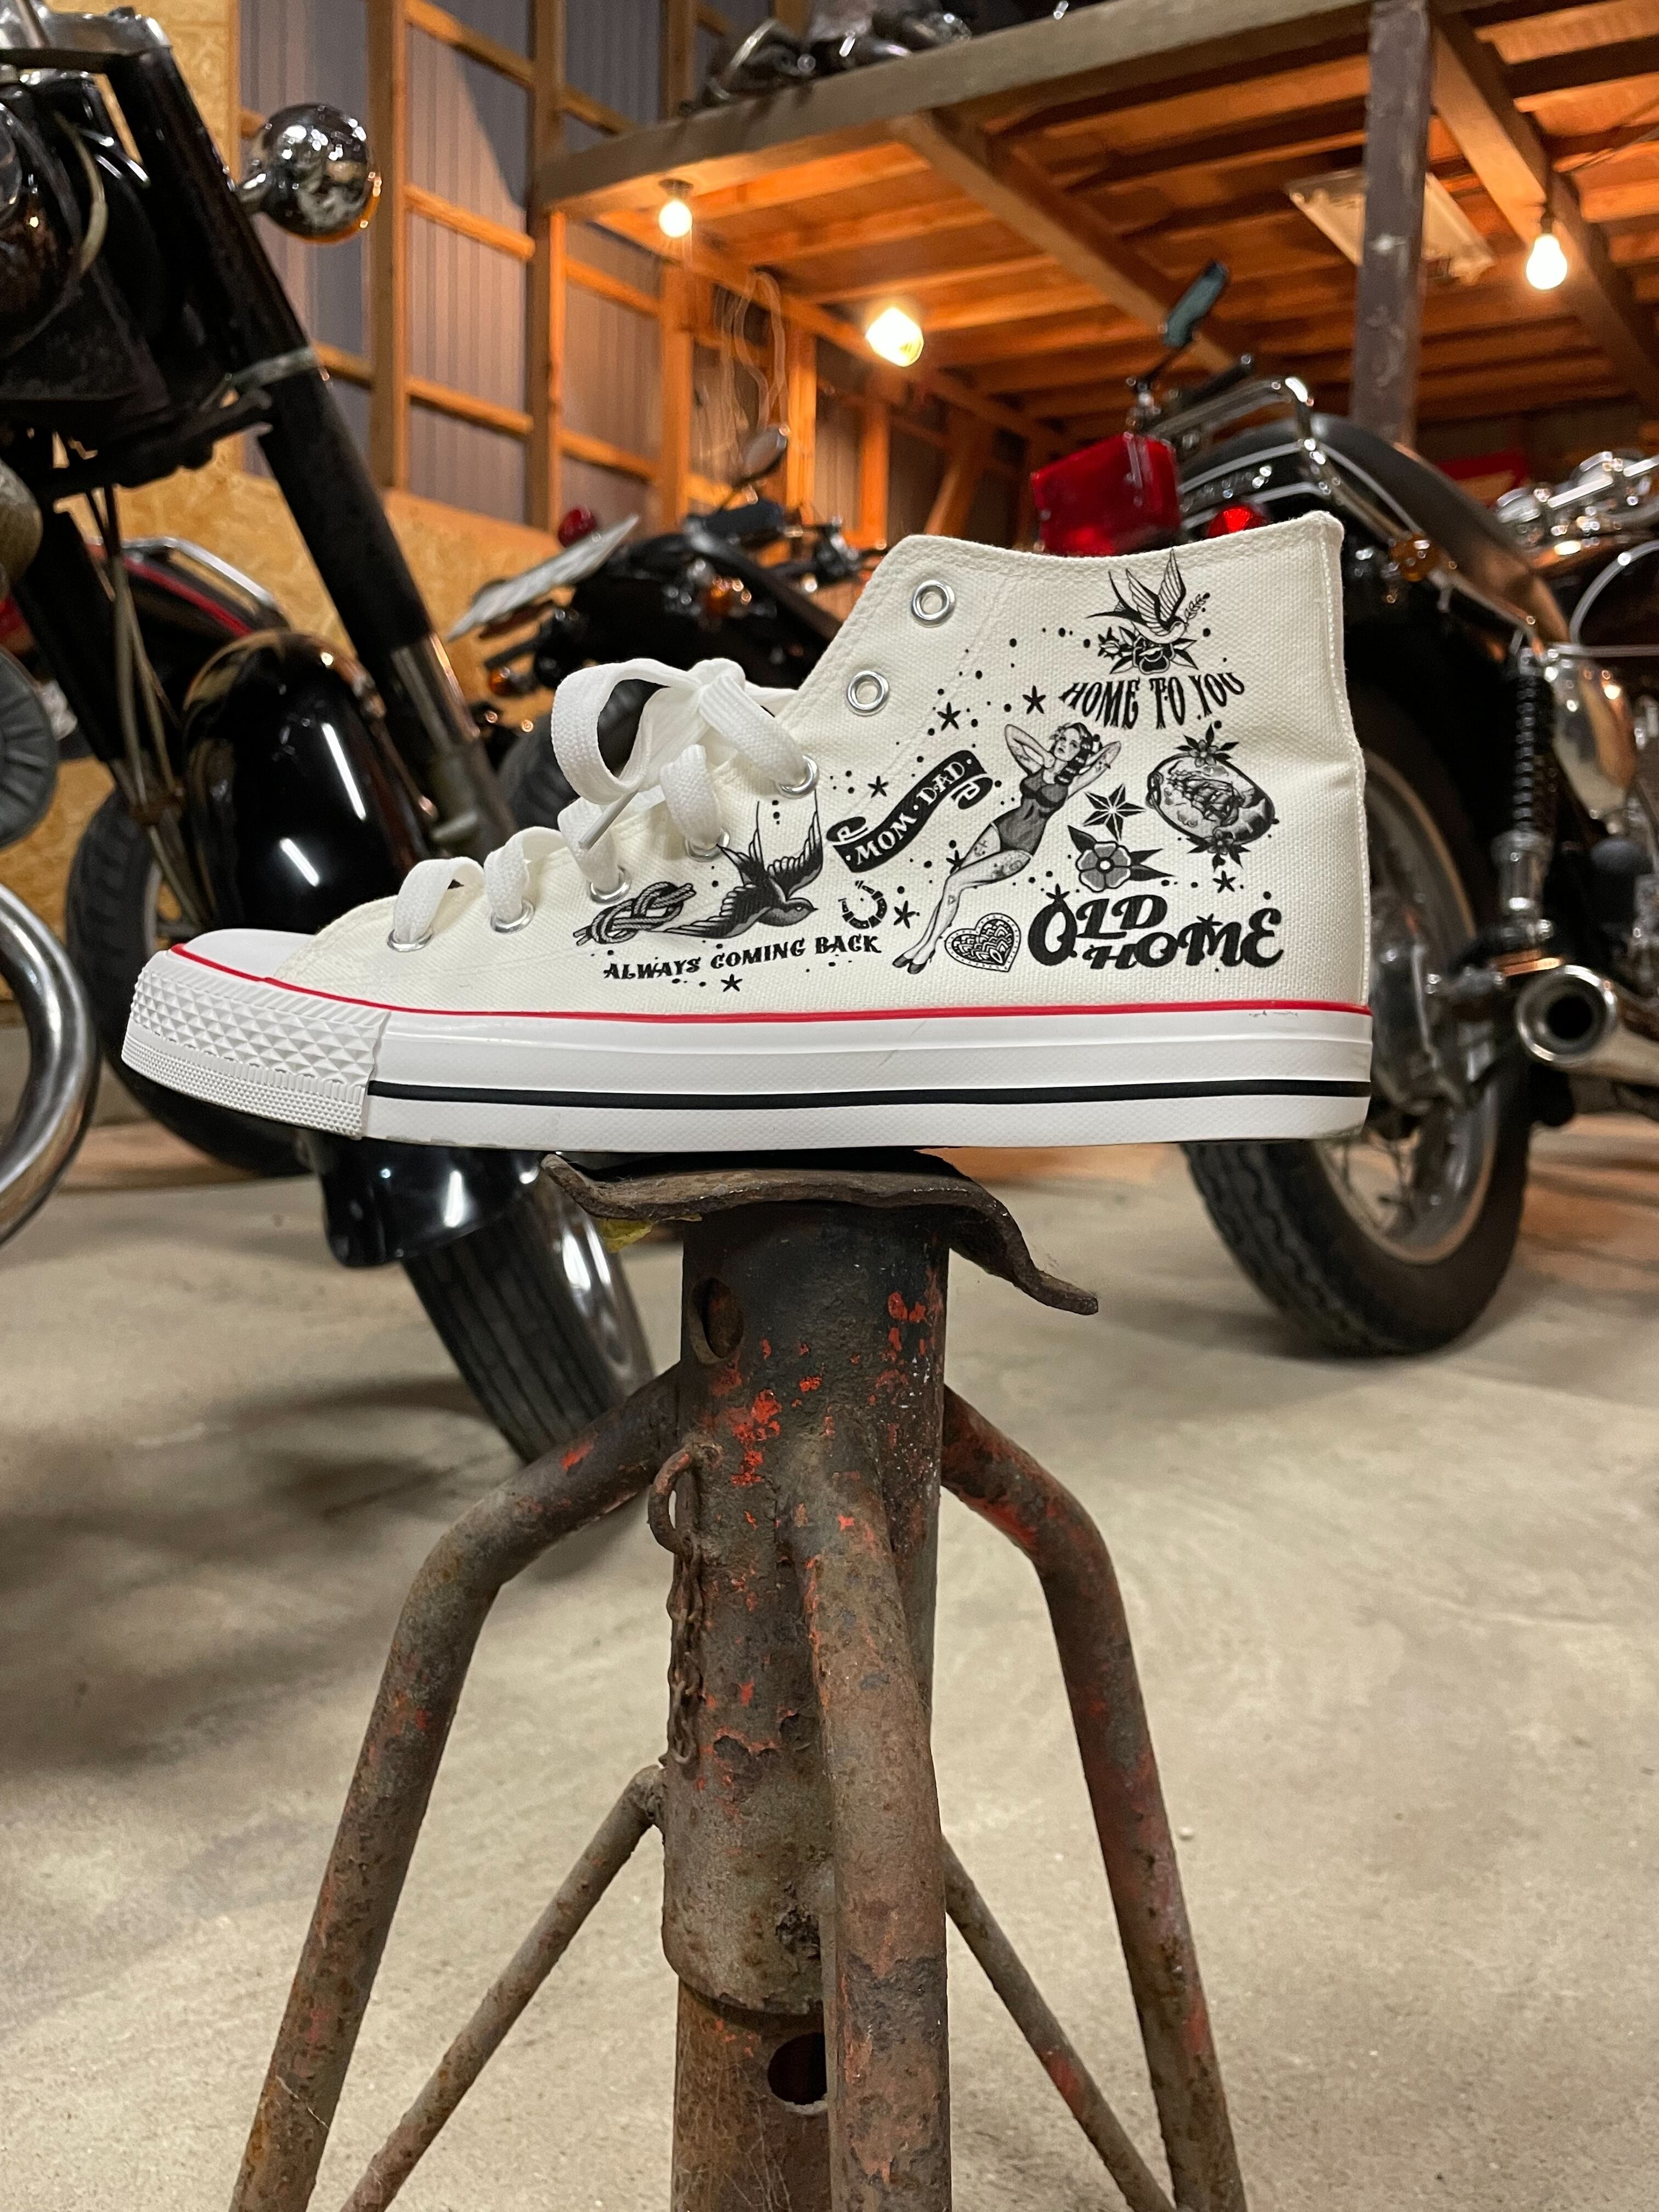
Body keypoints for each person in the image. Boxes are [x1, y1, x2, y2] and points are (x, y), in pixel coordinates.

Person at [894, 718, 1119, 973]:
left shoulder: (1073, 783)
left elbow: (1115, 749)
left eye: (1073, 745)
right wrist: (1044, 753)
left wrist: (1086, 760)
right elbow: (1011, 732)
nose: (1065, 745)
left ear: (1079, 752)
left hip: (1021, 850)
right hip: (999, 829)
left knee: (955, 883)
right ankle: (922, 944)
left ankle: (928, 947)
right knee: (954, 882)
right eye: (1063, 738)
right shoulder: (1036, 767)